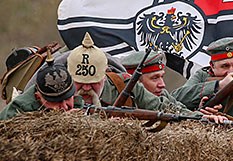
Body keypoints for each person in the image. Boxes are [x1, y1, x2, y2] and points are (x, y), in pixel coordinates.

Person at [67, 32, 225, 122]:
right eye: (80, 83)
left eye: (93, 83)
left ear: (104, 77)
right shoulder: (58, 91)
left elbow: (167, 108)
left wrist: (201, 118)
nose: (87, 88)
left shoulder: (123, 85)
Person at [0, 56, 82, 120]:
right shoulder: (18, 111)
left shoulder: (74, 101)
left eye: (67, 98)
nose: (65, 107)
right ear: (38, 97)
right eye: (57, 101)